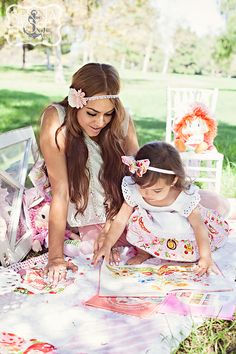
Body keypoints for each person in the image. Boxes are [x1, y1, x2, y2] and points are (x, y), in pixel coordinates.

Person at [39, 63, 139, 285]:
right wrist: (55, 257)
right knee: (94, 250)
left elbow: (135, 182)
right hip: (86, 212)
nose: (100, 122)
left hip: (121, 209)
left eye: (108, 114)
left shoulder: (120, 120)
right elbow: (61, 192)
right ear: (76, 103)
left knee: (201, 211)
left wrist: (111, 226)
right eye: (92, 113)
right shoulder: (57, 120)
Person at [93, 141, 230, 276]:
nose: (148, 195)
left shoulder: (184, 197)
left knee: (193, 252)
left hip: (180, 227)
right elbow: (120, 220)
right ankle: (144, 252)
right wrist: (108, 243)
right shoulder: (134, 189)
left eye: (157, 190)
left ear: (174, 180)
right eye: (142, 188)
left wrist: (205, 257)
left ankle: (184, 255)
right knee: (136, 221)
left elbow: (199, 227)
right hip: (152, 225)